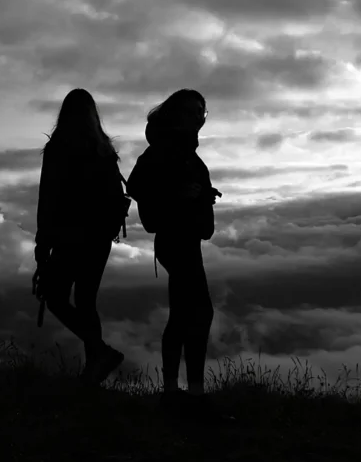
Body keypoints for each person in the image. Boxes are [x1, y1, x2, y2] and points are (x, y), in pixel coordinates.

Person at [127, 89, 223, 417]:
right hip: (176, 241)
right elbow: (138, 186)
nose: (198, 116)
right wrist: (180, 195)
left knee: (185, 315)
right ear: (176, 114)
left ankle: (177, 392)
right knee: (199, 313)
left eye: (201, 111)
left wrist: (201, 195)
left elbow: (148, 186)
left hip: (182, 240)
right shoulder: (167, 149)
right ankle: (190, 394)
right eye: (192, 110)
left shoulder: (181, 151)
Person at [34, 88, 127, 385]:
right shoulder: (104, 150)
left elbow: (48, 198)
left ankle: (100, 354)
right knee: (87, 301)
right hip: (99, 239)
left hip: (69, 236)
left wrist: (42, 245)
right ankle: (94, 368)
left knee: (56, 298)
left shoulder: (60, 146)